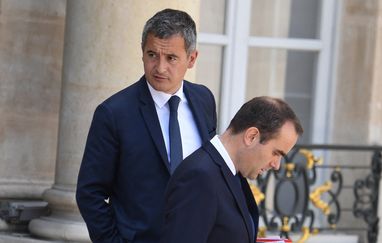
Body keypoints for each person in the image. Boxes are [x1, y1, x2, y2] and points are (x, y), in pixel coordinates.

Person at [76, 9, 217, 243]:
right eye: (152, 55)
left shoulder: (204, 100)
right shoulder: (113, 113)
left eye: (171, 58)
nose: (160, 68)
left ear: (191, 59)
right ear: (142, 52)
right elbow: (89, 193)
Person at [160, 96, 304, 243]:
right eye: (276, 153)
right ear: (252, 136)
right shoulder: (200, 177)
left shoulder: (232, 172)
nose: (276, 165)